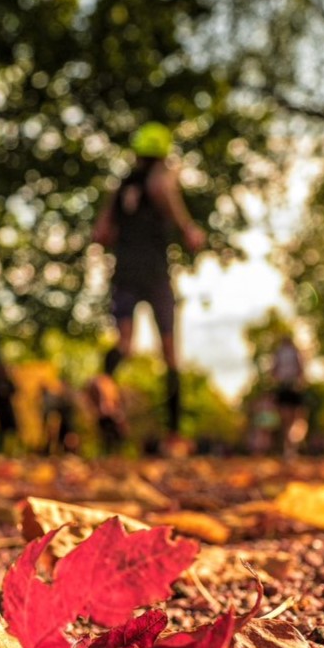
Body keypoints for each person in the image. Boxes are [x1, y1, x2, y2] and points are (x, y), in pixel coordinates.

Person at [90, 122, 206, 449]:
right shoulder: (161, 175)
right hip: (155, 274)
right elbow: (161, 190)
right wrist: (188, 227)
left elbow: (100, 233)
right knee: (169, 353)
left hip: (124, 272)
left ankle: (104, 384)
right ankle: (174, 434)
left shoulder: (120, 186)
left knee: (124, 344)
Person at [269, 334, 309, 457]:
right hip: (291, 386)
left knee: (288, 419)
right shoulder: (293, 351)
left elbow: (273, 370)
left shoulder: (279, 352)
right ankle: (291, 446)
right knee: (292, 418)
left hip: (286, 386)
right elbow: (300, 367)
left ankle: (290, 445)